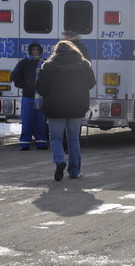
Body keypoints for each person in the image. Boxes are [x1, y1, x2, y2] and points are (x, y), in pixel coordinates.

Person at [36, 40, 96, 181]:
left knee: (56, 138)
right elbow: (92, 83)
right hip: (77, 107)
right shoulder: (84, 65)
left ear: (57, 51)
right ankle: (74, 171)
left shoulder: (49, 66)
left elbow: (41, 88)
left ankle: (59, 160)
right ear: (73, 50)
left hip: (55, 107)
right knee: (73, 139)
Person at [12, 40, 48, 150]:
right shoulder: (24, 63)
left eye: (37, 50)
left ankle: (41, 143)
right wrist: (24, 85)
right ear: (30, 50)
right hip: (28, 97)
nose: (35, 52)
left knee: (41, 122)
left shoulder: (45, 63)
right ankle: (24, 143)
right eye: (33, 49)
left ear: (40, 50)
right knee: (27, 121)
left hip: (41, 98)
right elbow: (16, 75)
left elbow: (50, 78)